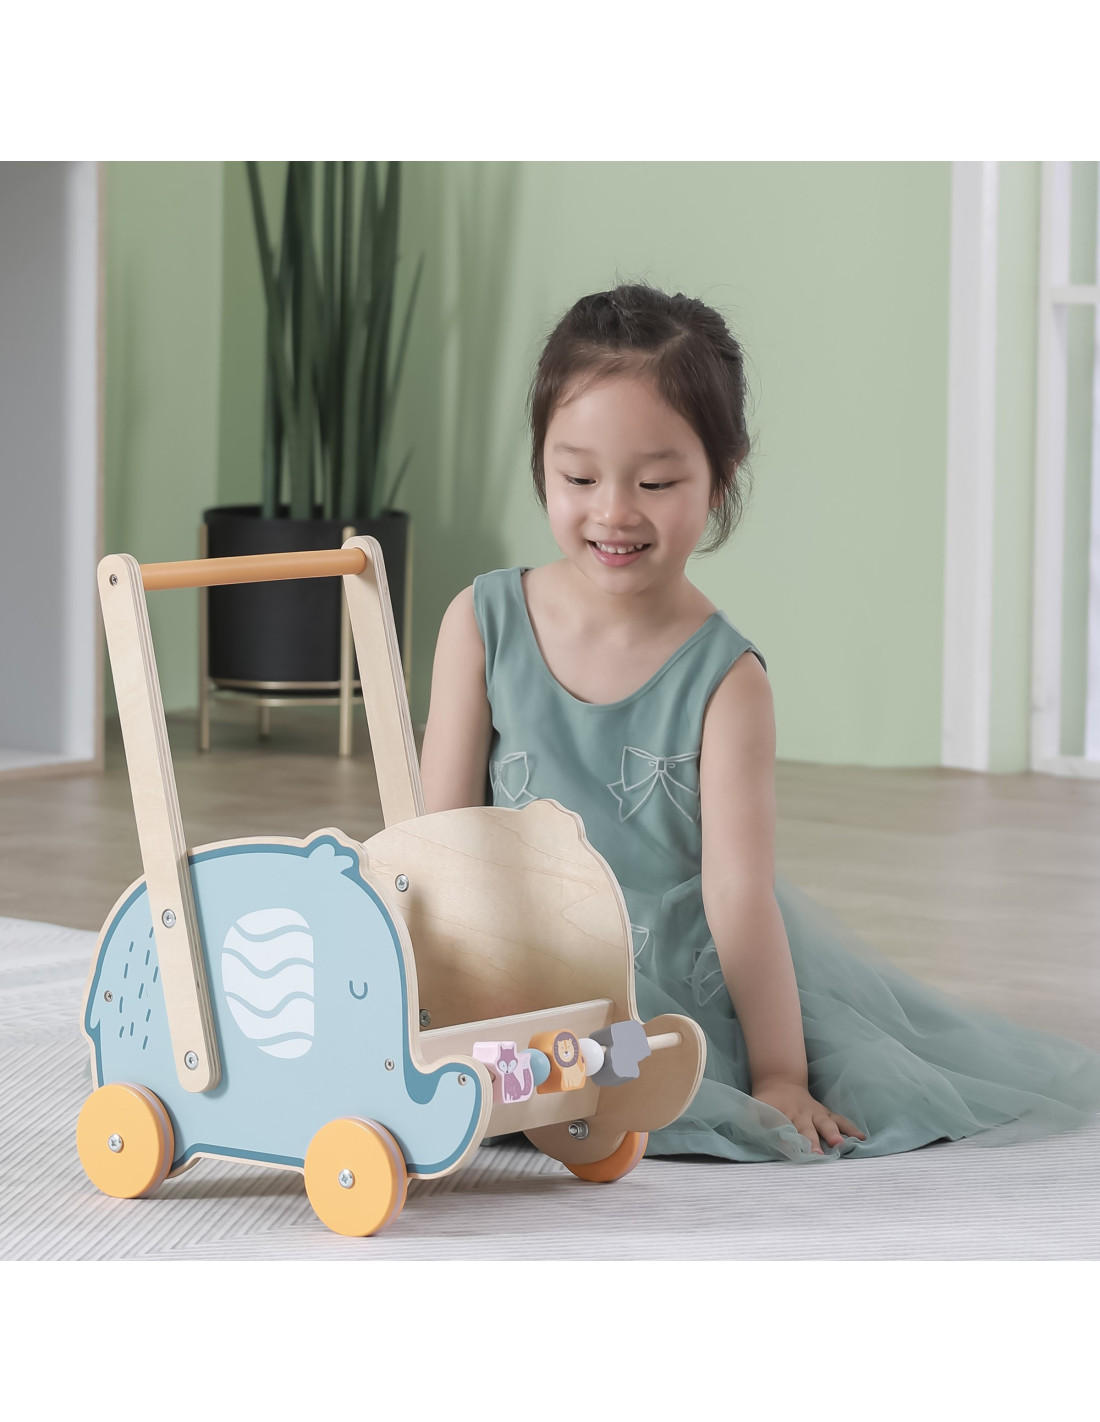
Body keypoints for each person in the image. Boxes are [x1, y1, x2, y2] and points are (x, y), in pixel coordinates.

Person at [418, 281, 1100, 1163]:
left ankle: (566, 1084)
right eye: (578, 477)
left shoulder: (726, 680)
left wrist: (780, 1073)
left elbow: (737, 895)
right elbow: (436, 841)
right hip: (506, 952)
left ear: (721, 475)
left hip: (655, 975)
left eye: (656, 482)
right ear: (541, 462)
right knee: (398, 1040)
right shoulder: (481, 622)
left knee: (618, 1072)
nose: (614, 511)